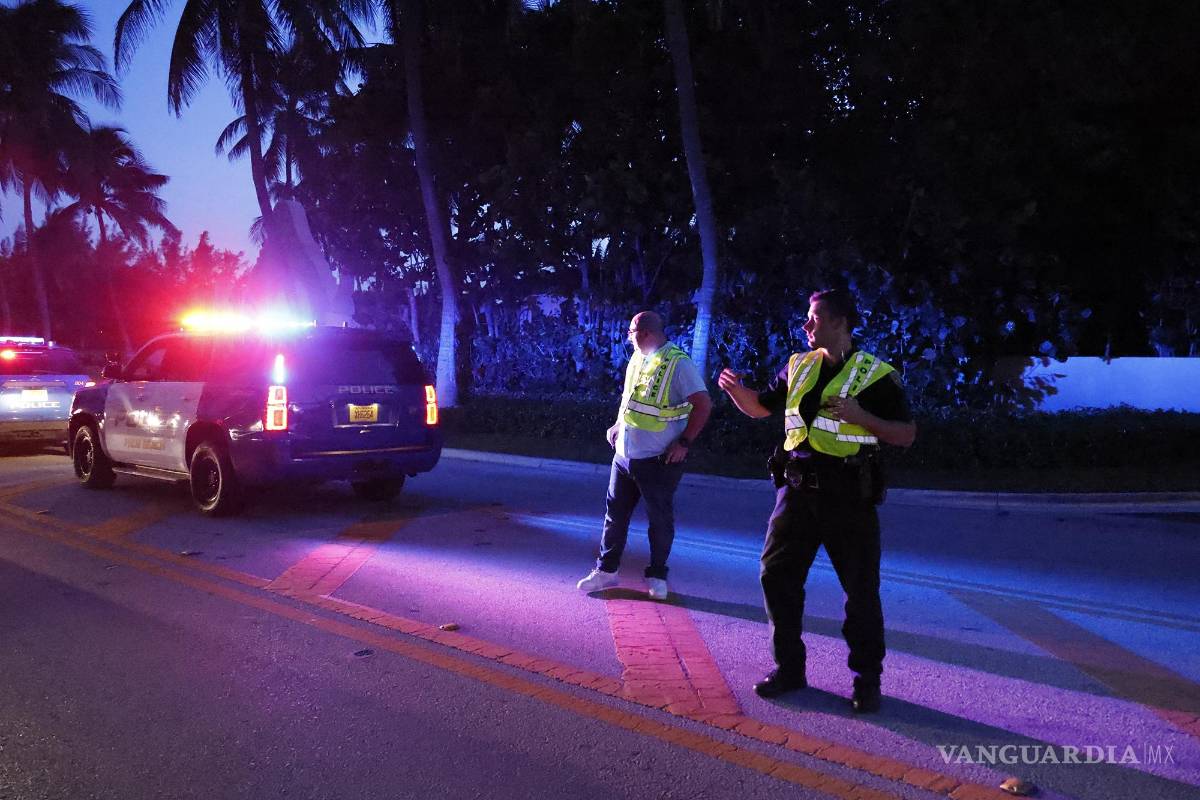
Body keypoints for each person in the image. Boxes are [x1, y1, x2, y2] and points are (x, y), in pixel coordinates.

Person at [717, 289, 915, 713]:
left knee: (861, 592)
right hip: (796, 492)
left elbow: (905, 434)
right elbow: (761, 408)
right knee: (776, 576)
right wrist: (736, 392)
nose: (807, 325)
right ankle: (789, 669)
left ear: (840, 321)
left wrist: (862, 417)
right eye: (807, 319)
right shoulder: (798, 367)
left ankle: (866, 680)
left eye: (815, 318)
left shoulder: (875, 375)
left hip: (848, 498)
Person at [577, 311, 712, 600]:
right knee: (614, 516)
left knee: (659, 520)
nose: (628, 338)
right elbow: (630, 399)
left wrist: (684, 443)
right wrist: (617, 424)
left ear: (647, 333)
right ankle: (607, 570)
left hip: (658, 459)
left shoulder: (678, 363)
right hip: (625, 456)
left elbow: (703, 404)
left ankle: (657, 575)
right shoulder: (639, 358)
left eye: (631, 332)